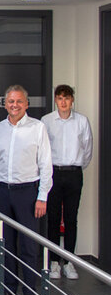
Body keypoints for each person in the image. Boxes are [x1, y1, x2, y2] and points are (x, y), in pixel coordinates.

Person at [0, 84, 52, 295]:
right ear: (6, 104)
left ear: (26, 104)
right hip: (2, 192)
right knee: (6, 244)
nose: (15, 105)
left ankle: (29, 294)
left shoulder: (38, 128)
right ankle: (9, 291)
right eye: (11, 101)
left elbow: (46, 165)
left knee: (28, 246)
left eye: (19, 101)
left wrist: (42, 197)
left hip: (27, 194)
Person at [41, 84, 92, 280]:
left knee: (71, 218)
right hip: (53, 173)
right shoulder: (46, 121)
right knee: (53, 218)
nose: (63, 102)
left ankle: (69, 262)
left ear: (72, 100)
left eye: (67, 98)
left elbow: (87, 150)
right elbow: (42, 149)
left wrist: (76, 167)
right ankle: (54, 262)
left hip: (73, 173)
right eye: (60, 98)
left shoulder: (81, 121)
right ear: (56, 100)